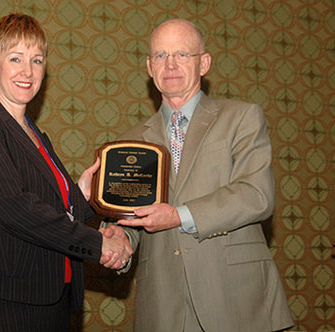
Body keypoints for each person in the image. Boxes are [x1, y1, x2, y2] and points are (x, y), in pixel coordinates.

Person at [104, 18, 294, 332]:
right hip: (164, 304)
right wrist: (120, 240)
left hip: (236, 298)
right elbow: (132, 216)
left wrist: (178, 215)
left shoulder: (241, 117)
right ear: (150, 68)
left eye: (182, 54)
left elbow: (256, 195)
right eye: (161, 56)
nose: (170, 64)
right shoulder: (130, 142)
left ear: (203, 63)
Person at [0, 13, 131, 332]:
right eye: (15, 58)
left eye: (37, 60)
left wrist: (85, 197)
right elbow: (14, 208)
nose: (27, 71)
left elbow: (52, 209)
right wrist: (98, 244)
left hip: (49, 301)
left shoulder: (37, 137)